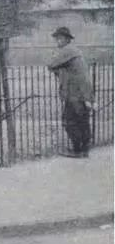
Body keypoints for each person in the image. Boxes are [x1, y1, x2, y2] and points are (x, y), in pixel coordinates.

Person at [48, 27, 94, 158]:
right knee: (82, 121)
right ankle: (84, 150)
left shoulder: (67, 51)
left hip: (74, 93)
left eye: (60, 38)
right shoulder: (75, 51)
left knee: (68, 121)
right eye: (56, 38)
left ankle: (77, 150)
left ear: (67, 39)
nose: (57, 41)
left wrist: (55, 62)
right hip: (83, 92)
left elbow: (51, 64)